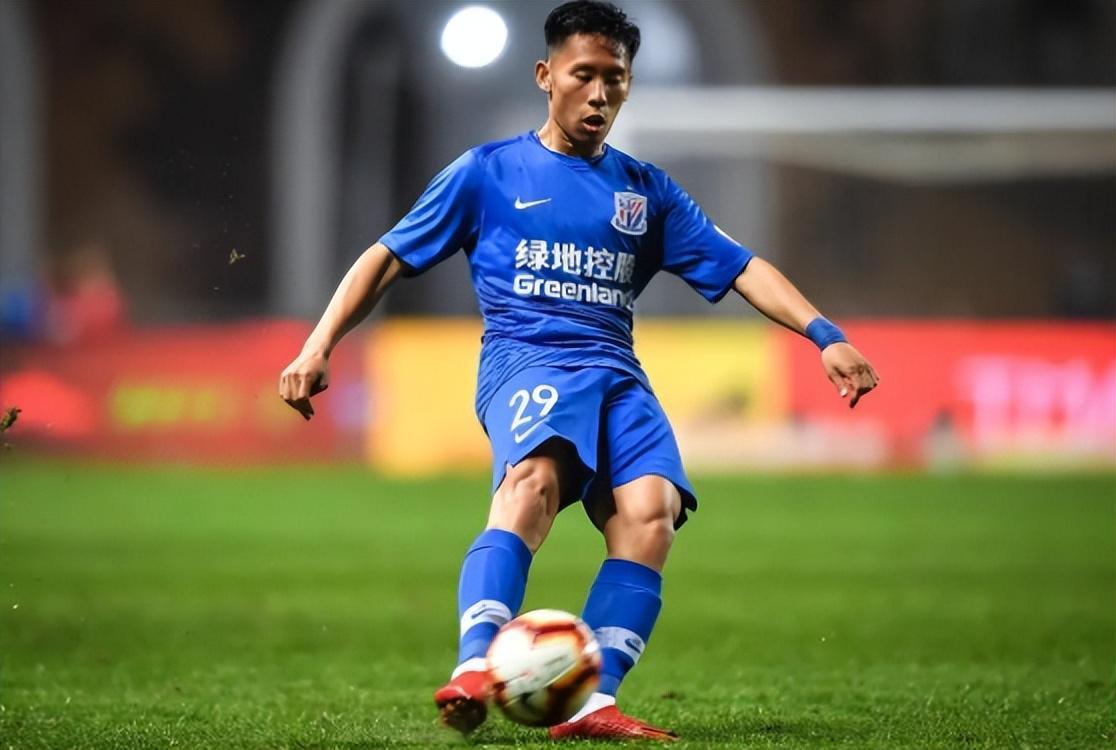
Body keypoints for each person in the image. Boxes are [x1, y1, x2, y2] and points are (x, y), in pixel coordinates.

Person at [279, 0, 880, 741]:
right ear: (546, 75)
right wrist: (318, 345)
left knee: (651, 515)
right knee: (533, 481)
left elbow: (741, 266)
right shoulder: (488, 172)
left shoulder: (647, 191)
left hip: (617, 372)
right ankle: (475, 666)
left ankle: (592, 702)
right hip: (527, 357)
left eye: (614, 80)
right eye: (583, 75)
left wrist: (824, 335)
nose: (599, 95)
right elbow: (387, 257)